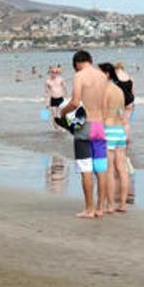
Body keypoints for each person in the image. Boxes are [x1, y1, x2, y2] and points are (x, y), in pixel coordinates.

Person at [60, 50, 109, 219]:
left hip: (85, 126)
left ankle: (89, 209)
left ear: (77, 64)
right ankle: (100, 209)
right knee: (100, 169)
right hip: (100, 125)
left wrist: (62, 112)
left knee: (85, 168)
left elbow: (74, 102)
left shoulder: (80, 76)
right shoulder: (103, 76)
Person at [100, 63, 130, 214]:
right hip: (120, 130)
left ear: (106, 74)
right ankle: (123, 204)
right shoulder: (119, 89)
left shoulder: (105, 89)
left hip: (109, 130)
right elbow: (123, 109)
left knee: (109, 170)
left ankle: (110, 205)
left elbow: (103, 112)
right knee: (122, 169)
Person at [113, 62, 135, 141]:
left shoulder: (114, 78)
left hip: (118, 101)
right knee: (126, 122)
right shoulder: (130, 77)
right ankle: (126, 138)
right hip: (129, 100)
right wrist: (133, 104)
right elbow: (132, 91)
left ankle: (117, 137)